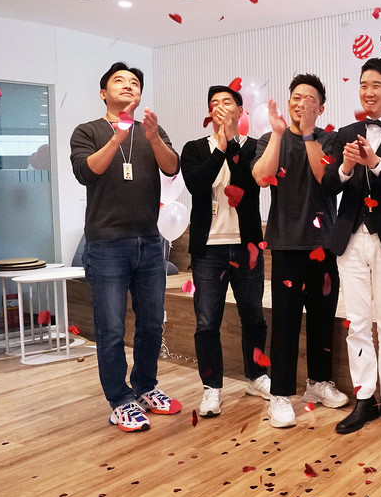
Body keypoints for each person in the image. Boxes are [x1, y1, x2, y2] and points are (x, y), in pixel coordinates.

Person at [70, 62, 182, 432]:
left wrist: (153, 138)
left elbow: (172, 168)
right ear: (103, 93)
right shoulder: (87, 131)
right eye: (119, 81)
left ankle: (145, 386)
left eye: (134, 82)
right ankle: (120, 400)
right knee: (111, 328)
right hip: (106, 245)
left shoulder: (152, 130)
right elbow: (86, 171)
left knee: (151, 323)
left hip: (150, 242)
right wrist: (117, 138)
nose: (128, 86)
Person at [321, 58, 381, 434]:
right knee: (357, 322)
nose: (369, 92)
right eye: (363, 85)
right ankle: (364, 398)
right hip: (350, 240)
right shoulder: (344, 133)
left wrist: (375, 162)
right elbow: (328, 185)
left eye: (376, 85)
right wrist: (346, 168)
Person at [251, 74, 348, 428]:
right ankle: (280, 395)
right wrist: (278, 134)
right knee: (286, 323)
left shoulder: (330, 139)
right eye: (296, 96)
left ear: (320, 108)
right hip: (287, 244)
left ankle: (318, 383)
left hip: (324, 245)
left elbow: (327, 178)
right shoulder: (270, 139)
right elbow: (261, 177)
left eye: (309, 99)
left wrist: (308, 136)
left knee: (322, 319)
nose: (300, 103)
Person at [180, 85, 270, 418]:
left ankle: (256, 377)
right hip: (208, 250)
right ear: (209, 113)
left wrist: (231, 142)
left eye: (227, 102)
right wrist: (219, 147)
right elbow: (196, 185)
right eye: (214, 103)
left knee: (254, 315)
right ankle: (211, 387)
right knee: (207, 322)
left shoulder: (254, 148)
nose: (220, 107)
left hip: (247, 246)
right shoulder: (194, 148)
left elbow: (248, 184)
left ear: (240, 111)